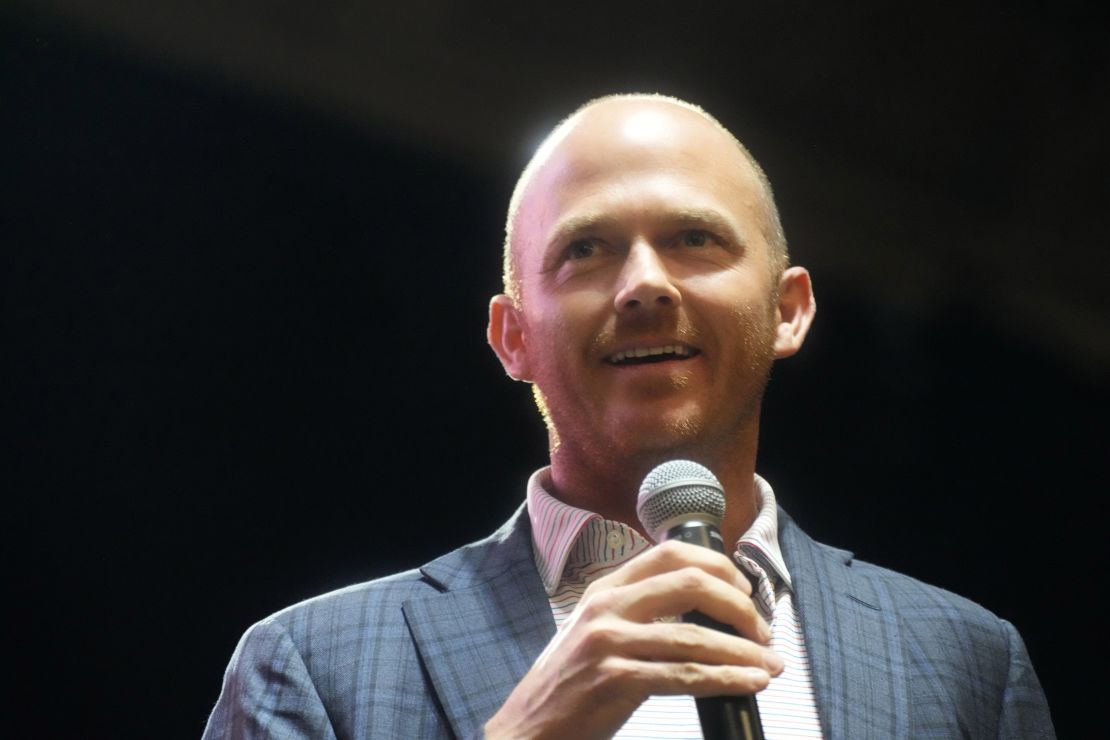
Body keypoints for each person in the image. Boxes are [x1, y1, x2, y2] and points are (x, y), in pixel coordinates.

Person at [202, 94, 1055, 739]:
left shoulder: (965, 662)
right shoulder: (314, 666)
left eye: (695, 239)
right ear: (512, 337)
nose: (644, 283)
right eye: (586, 249)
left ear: (789, 311)